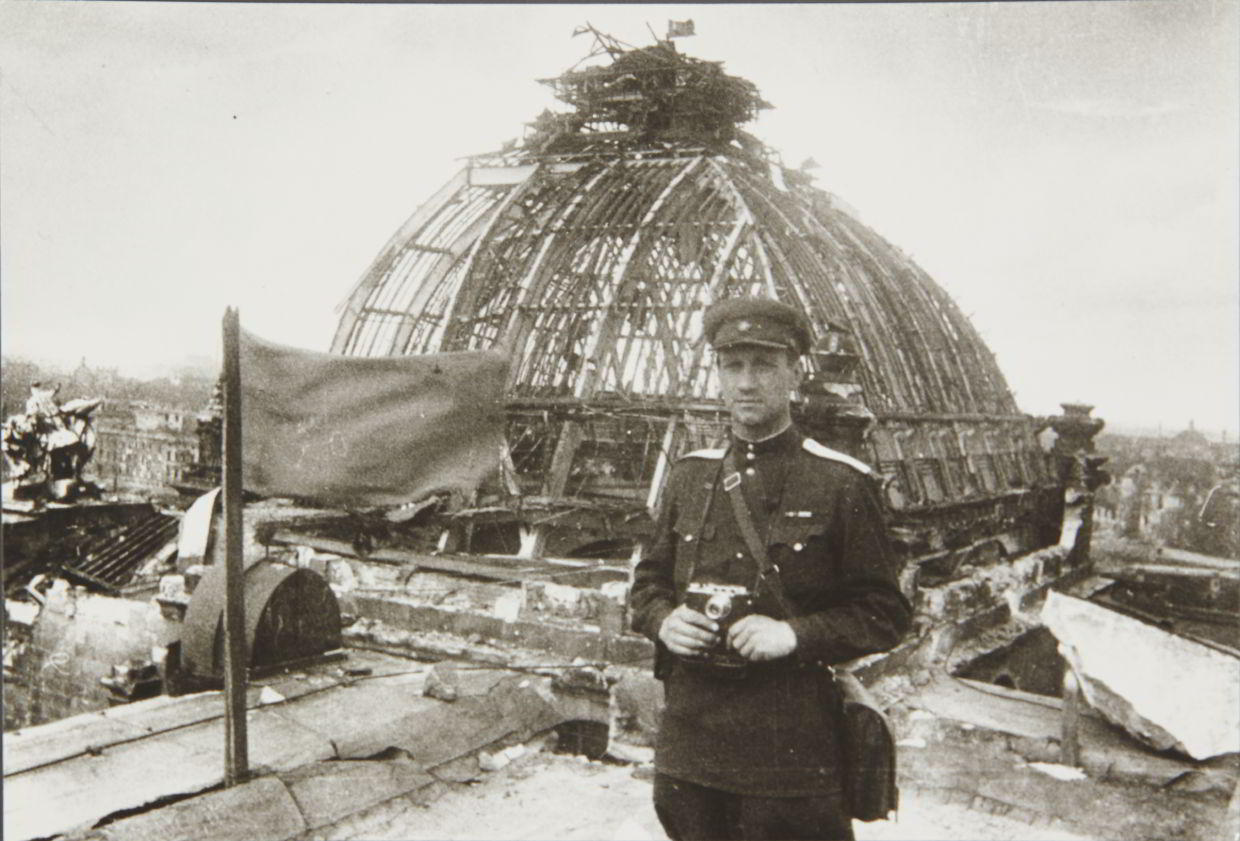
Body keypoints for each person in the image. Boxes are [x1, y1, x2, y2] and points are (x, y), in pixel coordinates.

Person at [629, 296, 912, 841]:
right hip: (691, 746)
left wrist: (794, 634)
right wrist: (663, 620)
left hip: (790, 753)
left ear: (795, 373)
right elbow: (648, 583)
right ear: (717, 375)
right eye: (732, 366)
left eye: (763, 365)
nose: (746, 382)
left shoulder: (841, 483)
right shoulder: (690, 477)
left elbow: (886, 613)